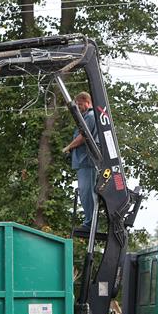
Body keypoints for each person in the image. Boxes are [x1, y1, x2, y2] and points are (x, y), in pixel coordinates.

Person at [62, 92, 99, 231]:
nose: (78, 107)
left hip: (87, 160)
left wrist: (68, 147)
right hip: (82, 161)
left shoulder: (90, 116)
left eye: (80, 104)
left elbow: (83, 137)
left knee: (87, 192)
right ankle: (89, 222)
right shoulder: (85, 117)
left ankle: (90, 224)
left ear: (87, 102)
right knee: (84, 192)